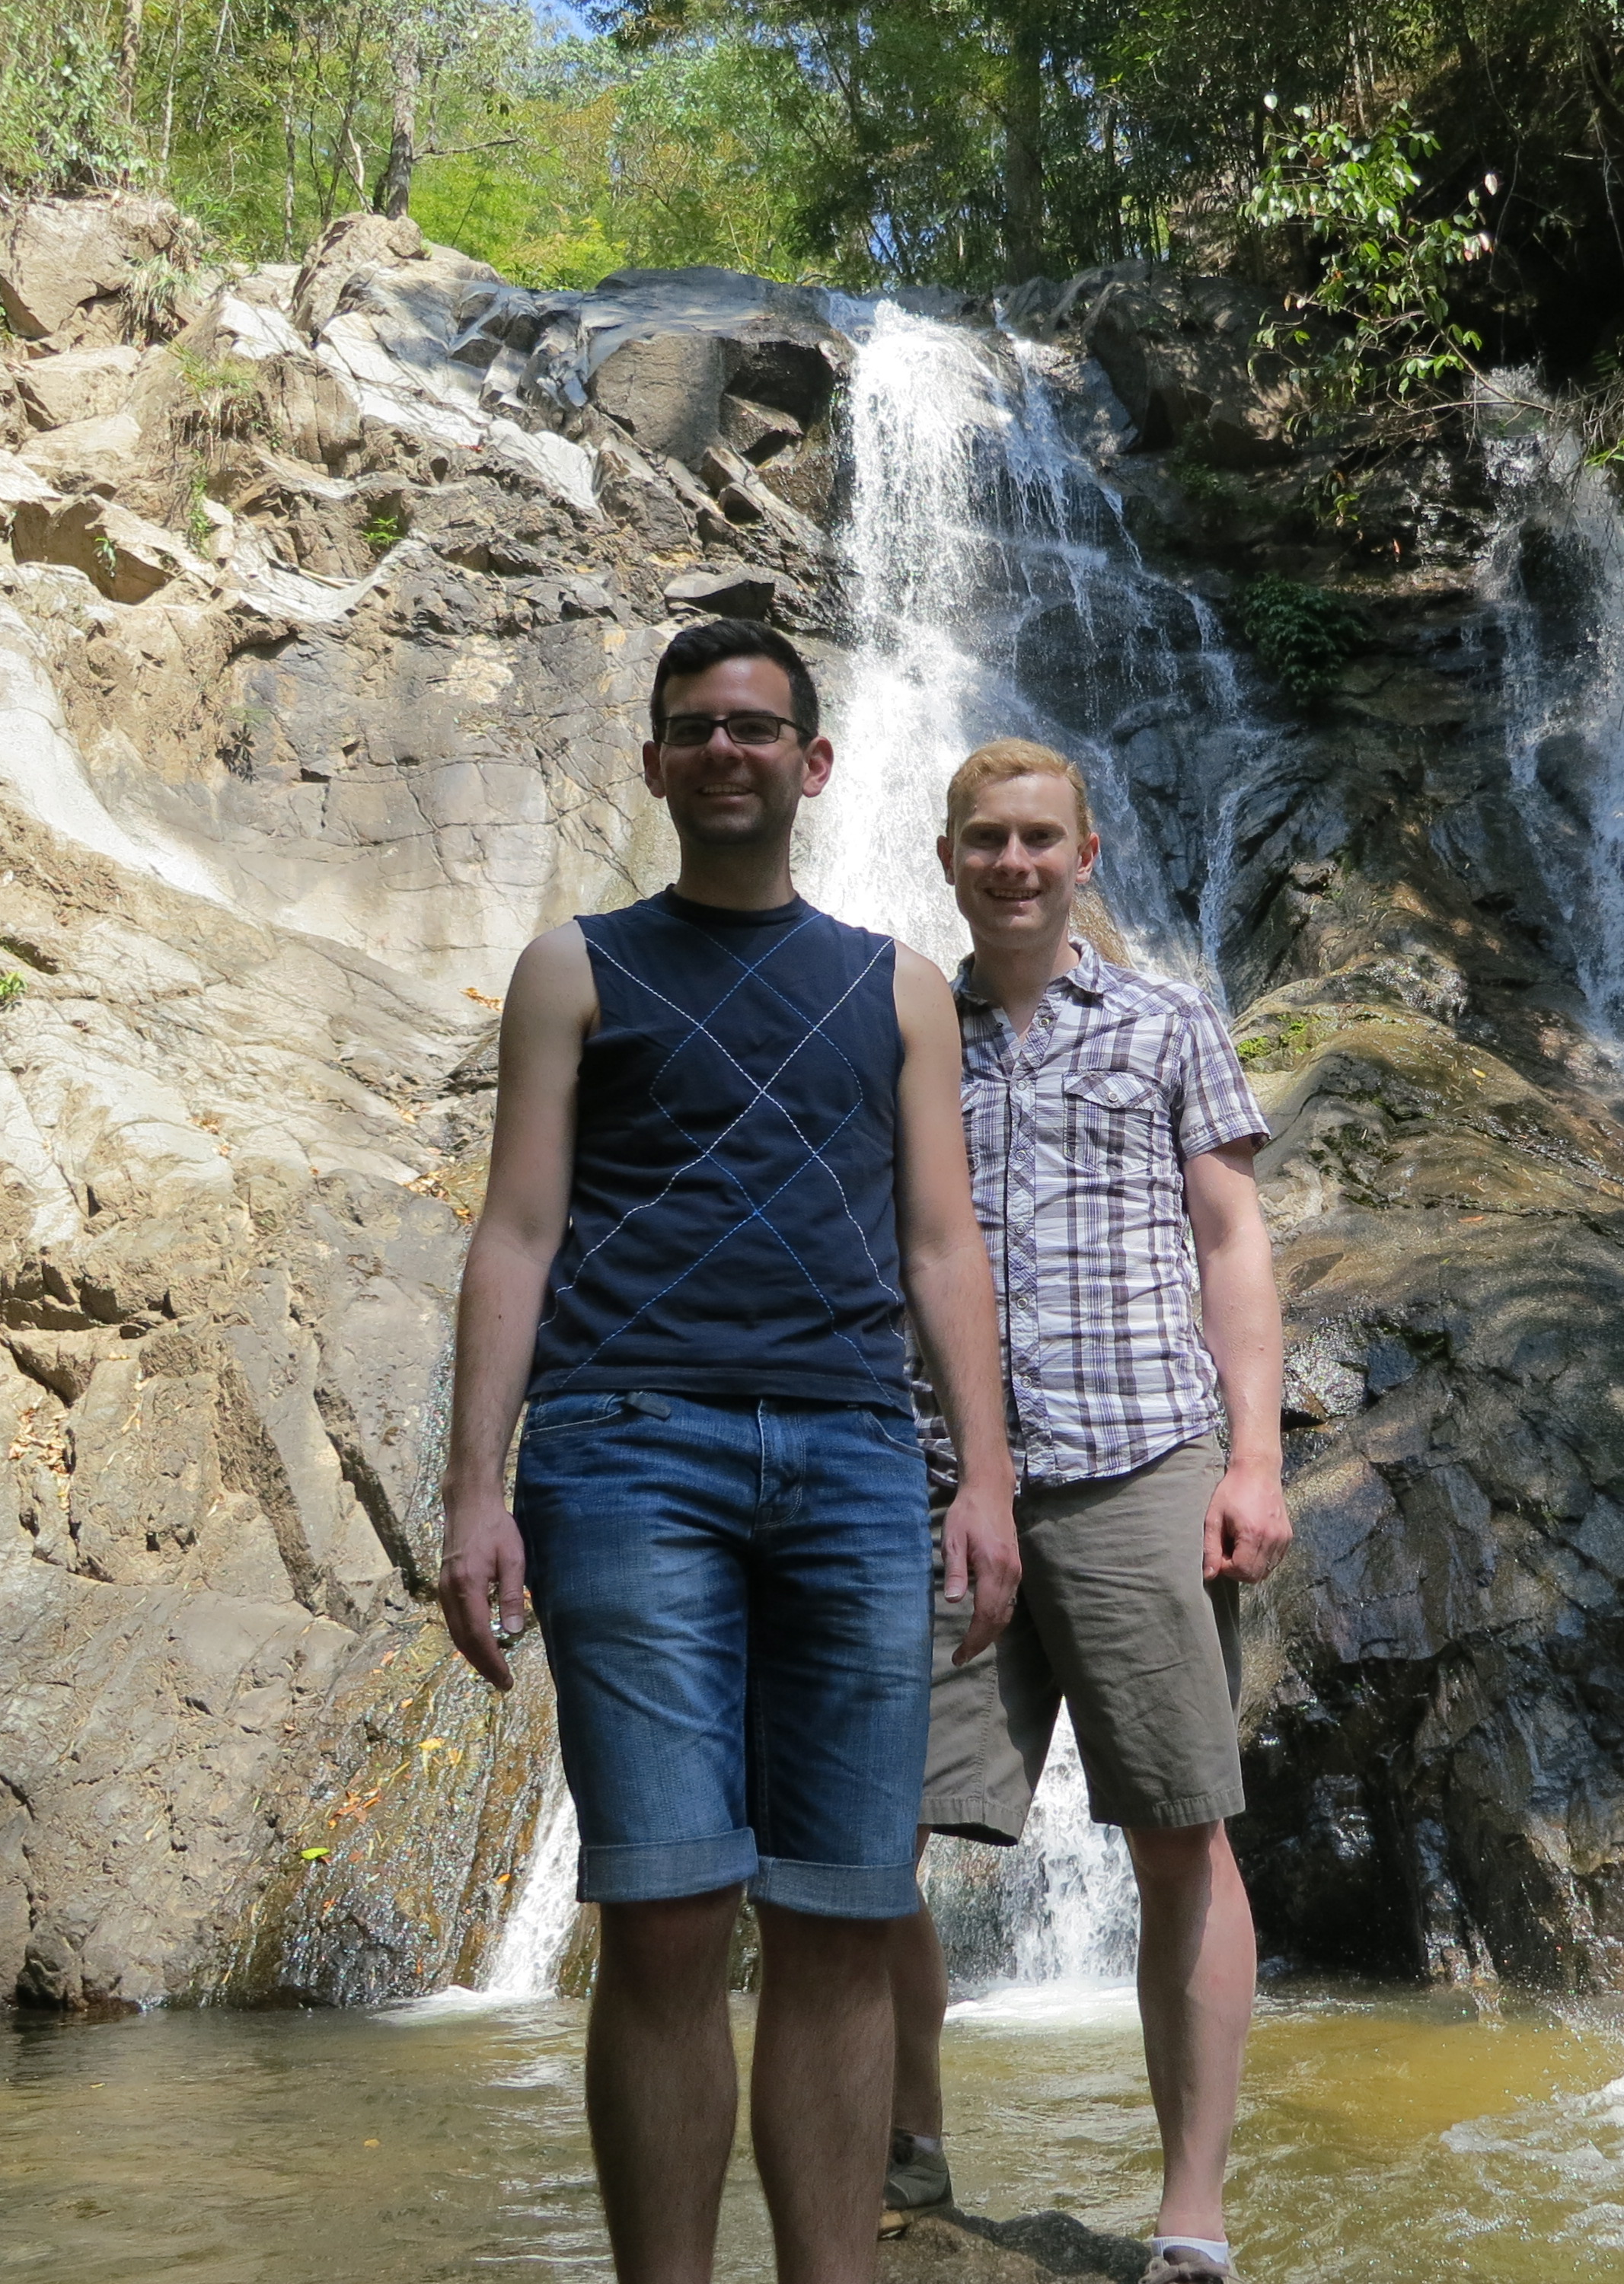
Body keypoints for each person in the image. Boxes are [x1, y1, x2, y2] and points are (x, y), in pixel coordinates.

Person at [436, 618, 1022, 2284]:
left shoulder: (897, 987)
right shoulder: (574, 969)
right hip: (625, 1455)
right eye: (694, 727)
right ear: (652, 763)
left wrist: (984, 1480)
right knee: (668, 1913)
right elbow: (516, 1230)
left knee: (845, 1913)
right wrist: (474, 1492)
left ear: (813, 763)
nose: (725, 751)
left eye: (756, 728)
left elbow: (941, 1245)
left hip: (855, 1459)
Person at [884, 740, 1291, 2284]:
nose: (1014, 862)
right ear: (945, 857)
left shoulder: (1168, 1023)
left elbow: (1231, 1242)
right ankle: (905, 2158)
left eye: (1039, 838)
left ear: (1086, 853)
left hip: (1141, 1468)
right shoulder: (903, 1032)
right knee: (868, 1838)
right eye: (985, 838)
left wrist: (1255, 1460)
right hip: (943, 1488)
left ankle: (1192, 2213)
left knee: (1180, 1835)